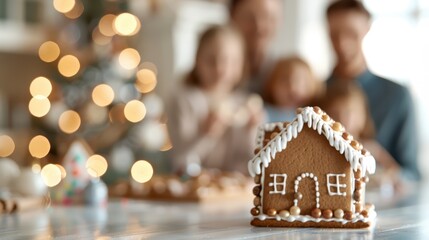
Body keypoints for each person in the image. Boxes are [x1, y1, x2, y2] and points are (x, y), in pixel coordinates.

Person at [325, 0, 420, 180]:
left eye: (351, 34)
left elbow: (412, 174)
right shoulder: (317, 93)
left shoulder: (397, 96)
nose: (342, 44)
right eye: (334, 35)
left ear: (367, 29)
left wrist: (383, 170)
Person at [166, 25, 263, 175]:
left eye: (231, 61)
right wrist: (207, 133)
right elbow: (181, 160)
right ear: (197, 60)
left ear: (242, 64)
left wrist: (252, 131)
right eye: (211, 60)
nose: (220, 69)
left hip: (234, 190)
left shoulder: (244, 104)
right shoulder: (184, 101)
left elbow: (251, 161)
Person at [318, 83, 402, 188]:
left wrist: (384, 177)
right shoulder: (323, 150)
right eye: (335, 113)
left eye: (350, 112)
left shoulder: (369, 148)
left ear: (363, 115)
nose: (343, 120)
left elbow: (394, 170)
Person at [229, 0, 281, 94]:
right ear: (231, 16)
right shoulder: (207, 72)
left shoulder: (285, 76)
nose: (259, 26)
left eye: (268, 17)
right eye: (249, 17)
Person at [262, 56, 323, 123]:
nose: (292, 87)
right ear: (272, 84)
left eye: (300, 81)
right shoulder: (263, 113)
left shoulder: (312, 117)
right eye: (284, 79)